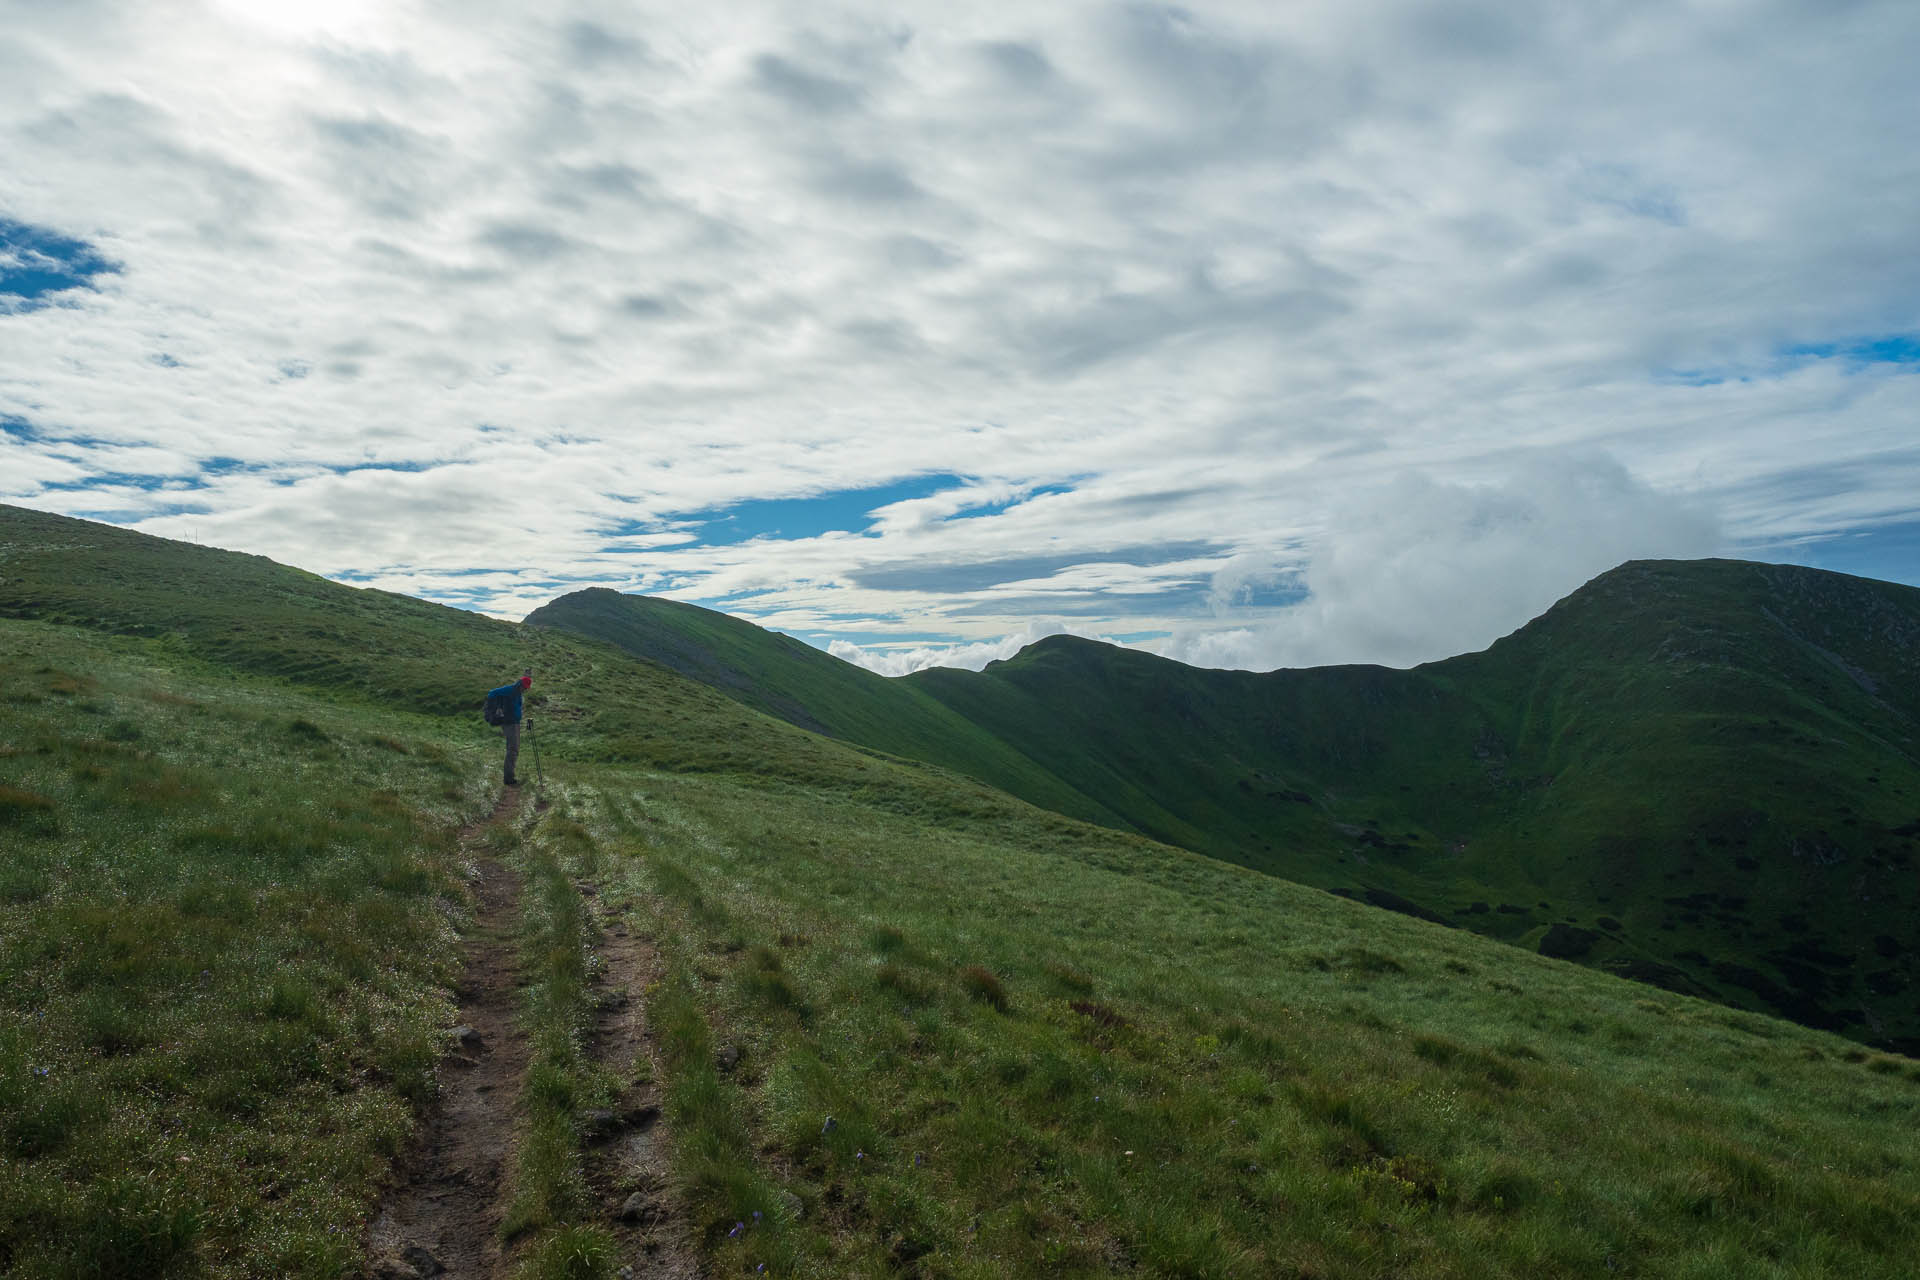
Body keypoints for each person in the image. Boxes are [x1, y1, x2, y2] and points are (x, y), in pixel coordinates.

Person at [489, 669, 533, 785]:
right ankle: (508, 778)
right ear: (521, 685)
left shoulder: (517, 692)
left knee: (515, 749)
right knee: (512, 749)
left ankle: (510, 776)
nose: (525, 690)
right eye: (525, 688)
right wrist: (497, 710)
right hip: (509, 723)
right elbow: (492, 693)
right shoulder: (510, 690)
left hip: (515, 723)